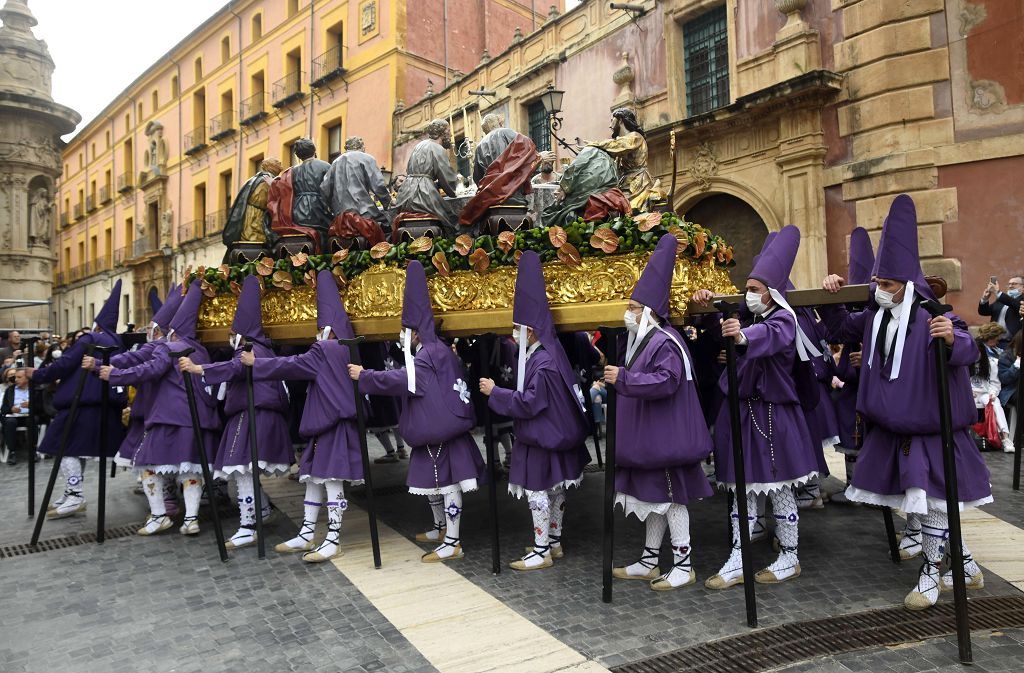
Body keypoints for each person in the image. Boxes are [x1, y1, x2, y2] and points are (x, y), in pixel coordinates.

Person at [820, 194, 993, 611]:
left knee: (931, 503)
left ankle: (931, 576)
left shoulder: (933, 315)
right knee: (927, 502)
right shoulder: (875, 317)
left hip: (932, 432)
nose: (880, 291)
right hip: (892, 430)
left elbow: (967, 346)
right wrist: (833, 296)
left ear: (907, 284)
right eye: (877, 284)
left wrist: (953, 339)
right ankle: (965, 565)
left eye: (887, 285)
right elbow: (842, 326)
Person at [693, 225, 820, 589]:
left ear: (772, 294)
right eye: (746, 289)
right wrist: (709, 302)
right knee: (740, 489)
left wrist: (743, 335)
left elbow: (767, 336)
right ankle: (738, 556)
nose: (748, 295)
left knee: (779, 488)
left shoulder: (782, 320)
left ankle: (790, 556)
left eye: (754, 290)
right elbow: (727, 324)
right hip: (743, 415)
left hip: (773, 416)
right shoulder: (750, 317)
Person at [349, 261, 487, 562]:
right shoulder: (436, 349)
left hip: (442, 431)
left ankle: (452, 541)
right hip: (438, 429)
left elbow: (403, 380)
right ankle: (440, 529)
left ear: (415, 332)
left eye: (404, 331)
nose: (402, 336)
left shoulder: (429, 353)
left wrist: (366, 376)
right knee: (434, 483)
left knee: (448, 485)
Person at [606, 235, 714, 590]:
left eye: (634, 307)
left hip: (666, 440)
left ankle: (684, 565)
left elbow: (666, 382)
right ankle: (650, 561)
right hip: (654, 440)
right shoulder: (648, 340)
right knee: (653, 500)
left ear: (649, 313)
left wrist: (624, 378)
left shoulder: (664, 341)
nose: (629, 313)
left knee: (670, 501)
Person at [240, 270, 363, 562]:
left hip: (330, 424)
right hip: (328, 423)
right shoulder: (350, 349)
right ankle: (308, 533)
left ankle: (331, 538)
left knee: (330, 480)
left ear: (327, 328)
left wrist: (257, 363)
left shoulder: (324, 348)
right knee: (314, 477)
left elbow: (292, 365)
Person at [479, 251, 591, 571]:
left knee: (537, 493)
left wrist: (494, 392)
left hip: (540, 438)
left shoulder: (540, 364)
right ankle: (553, 542)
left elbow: (529, 403)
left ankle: (541, 549)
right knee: (555, 492)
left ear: (530, 332)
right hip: (553, 436)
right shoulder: (549, 355)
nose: (513, 334)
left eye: (517, 328)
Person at [179, 276, 293, 550]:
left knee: (243, 471)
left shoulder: (249, 350)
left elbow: (235, 369)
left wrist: (200, 369)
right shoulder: (260, 348)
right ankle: (261, 512)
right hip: (252, 414)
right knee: (245, 470)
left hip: (253, 415)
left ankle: (248, 525)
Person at [101, 280, 220, 536]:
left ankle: (158, 516)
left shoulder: (169, 346)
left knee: (147, 467)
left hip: (170, 417)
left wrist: (115, 374)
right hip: (198, 420)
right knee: (190, 470)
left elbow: (149, 369)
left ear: (172, 330)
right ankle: (191, 520)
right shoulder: (201, 351)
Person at [30, 281, 127, 520]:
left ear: (97, 323)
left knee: (63, 448)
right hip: (103, 407)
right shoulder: (119, 343)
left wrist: (38, 374)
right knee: (74, 449)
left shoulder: (90, 339)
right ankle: (71, 492)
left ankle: (74, 494)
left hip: (81, 405)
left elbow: (64, 364)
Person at [830, 226, 874, 505]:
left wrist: (867, 359)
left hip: (872, 391)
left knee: (871, 441)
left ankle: (870, 489)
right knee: (850, 437)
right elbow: (835, 332)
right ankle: (852, 487)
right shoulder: (852, 314)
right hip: (851, 389)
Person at [589, 108, 665, 211]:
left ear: (620, 120)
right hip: (624, 181)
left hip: (638, 183)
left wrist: (594, 145)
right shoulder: (623, 140)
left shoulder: (635, 136)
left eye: (612, 119)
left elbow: (618, 145)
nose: (610, 124)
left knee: (630, 209)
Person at [392, 119, 459, 232]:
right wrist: (452, 189)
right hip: (424, 195)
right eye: (448, 130)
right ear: (442, 133)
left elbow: (409, 169)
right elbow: (447, 179)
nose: (451, 134)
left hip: (405, 194)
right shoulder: (438, 148)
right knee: (452, 218)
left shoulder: (419, 145)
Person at [268, 139, 332, 250]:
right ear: (314, 150)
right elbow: (331, 189)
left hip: (297, 212)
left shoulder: (292, 171)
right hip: (319, 209)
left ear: (298, 155)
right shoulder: (325, 166)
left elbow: (282, 189)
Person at [320, 136, 392, 229]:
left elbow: (324, 189)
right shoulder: (367, 158)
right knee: (388, 225)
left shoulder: (335, 162)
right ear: (362, 147)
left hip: (340, 215)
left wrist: (331, 209)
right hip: (363, 211)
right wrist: (387, 203)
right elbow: (378, 185)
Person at [541, 145, 623, 227]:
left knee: (555, 211)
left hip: (584, 198)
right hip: (603, 197)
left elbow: (574, 168)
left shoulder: (590, 150)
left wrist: (563, 188)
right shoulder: (611, 162)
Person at [221, 158, 284, 255]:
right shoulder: (268, 180)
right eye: (276, 162)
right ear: (270, 166)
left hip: (254, 214)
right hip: (256, 216)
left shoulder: (255, 179)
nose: (280, 163)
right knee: (256, 241)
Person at [971, 322, 1014, 453]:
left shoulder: (991, 362)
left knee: (995, 404)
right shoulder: (964, 363)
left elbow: (995, 383)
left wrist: (992, 393)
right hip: (968, 393)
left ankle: (1005, 438)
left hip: (984, 393)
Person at [978, 276, 1022, 342]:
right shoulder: (1002, 299)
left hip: (1013, 342)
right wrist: (985, 299)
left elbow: (1015, 304)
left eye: (1014, 284)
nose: (1010, 286)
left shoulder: (1021, 300)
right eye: (1009, 284)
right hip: (995, 341)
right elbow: (984, 312)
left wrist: (998, 292)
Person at [2, 368, 30, 465]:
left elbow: (42, 407)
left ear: (27, 378)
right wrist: (11, 409)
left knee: (33, 420)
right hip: (14, 416)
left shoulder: (34, 389)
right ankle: (12, 452)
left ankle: (33, 451)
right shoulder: (10, 390)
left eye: (19, 377)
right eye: (15, 377)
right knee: (10, 422)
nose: (16, 379)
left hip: (29, 416)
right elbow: (3, 409)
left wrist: (31, 405)